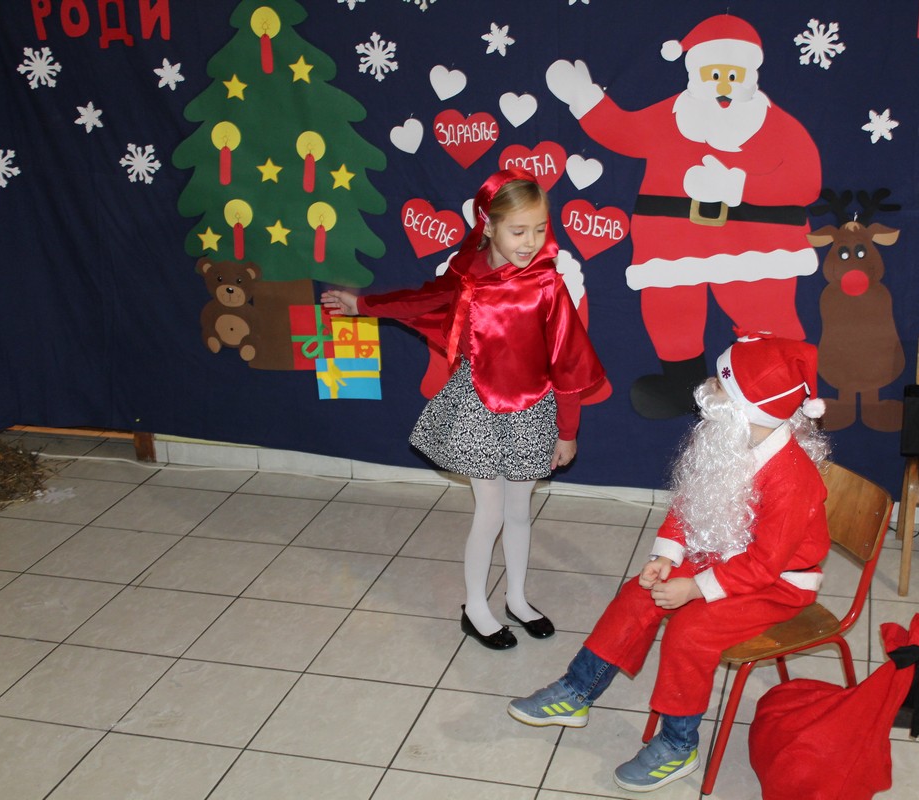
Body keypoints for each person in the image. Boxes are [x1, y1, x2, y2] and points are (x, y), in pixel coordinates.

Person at [508, 332, 829, 793]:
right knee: (641, 593)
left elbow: (764, 565)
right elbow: (692, 504)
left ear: (749, 407)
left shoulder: (792, 479)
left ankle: (679, 745)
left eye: (721, 385)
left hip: (778, 582)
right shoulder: (727, 437)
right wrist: (667, 555)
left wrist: (695, 587)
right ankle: (577, 691)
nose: (708, 388)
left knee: (690, 631)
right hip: (725, 554)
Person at [321, 169, 605, 650]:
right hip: (477, 407)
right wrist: (363, 304)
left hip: (532, 411)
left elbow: (569, 363)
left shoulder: (548, 286)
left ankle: (517, 598)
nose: (530, 242)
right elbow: (421, 301)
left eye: (540, 230)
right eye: (519, 230)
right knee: (489, 512)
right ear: (488, 225)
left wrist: (567, 430)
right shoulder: (467, 274)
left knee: (519, 511)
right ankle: (476, 607)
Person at [545, 14, 822, 419]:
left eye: (733, 75)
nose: (723, 86)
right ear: (696, 73)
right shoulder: (673, 115)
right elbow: (623, 131)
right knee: (670, 315)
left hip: (756, 243)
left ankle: (781, 390)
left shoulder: (776, 126)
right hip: (673, 240)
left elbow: (805, 182)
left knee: (766, 315)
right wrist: (585, 99)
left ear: (750, 75)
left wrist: (739, 186)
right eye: (714, 74)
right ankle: (683, 388)